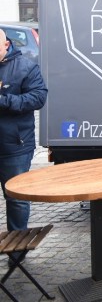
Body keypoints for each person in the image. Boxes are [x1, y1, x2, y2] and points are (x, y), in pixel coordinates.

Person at [0, 28, 47, 242]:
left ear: (6, 45)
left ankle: (17, 252)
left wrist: (4, 100)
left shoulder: (26, 67)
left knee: (16, 199)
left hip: (15, 147)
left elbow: (38, 98)